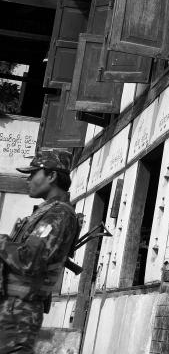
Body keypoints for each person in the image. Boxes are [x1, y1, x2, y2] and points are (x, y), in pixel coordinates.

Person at [0, 150, 81, 353]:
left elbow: (30, 259)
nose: (28, 179)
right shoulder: (45, 212)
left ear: (52, 176)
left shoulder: (60, 214)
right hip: (11, 309)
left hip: (19, 314)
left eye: (33, 173)